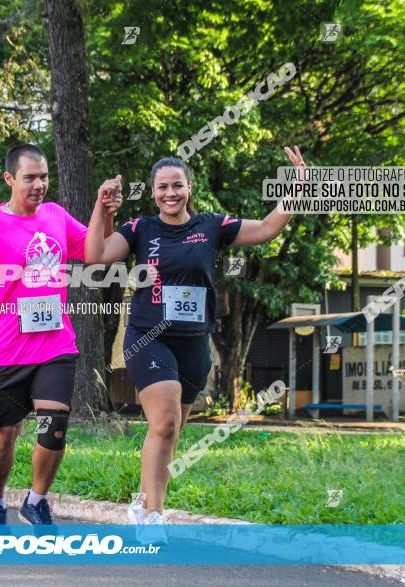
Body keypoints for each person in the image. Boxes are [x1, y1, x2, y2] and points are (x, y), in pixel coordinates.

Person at [85, 147, 305, 543]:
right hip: (148, 337)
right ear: (153, 192)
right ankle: (153, 517)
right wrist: (103, 210)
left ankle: (143, 500)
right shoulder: (140, 229)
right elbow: (95, 256)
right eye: (162, 187)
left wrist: (297, 187)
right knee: (165, 422)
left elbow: (269, 228)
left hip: (193, 343)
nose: (170, 193)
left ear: (189, 187)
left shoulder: (214, 226)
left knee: (173, 431)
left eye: (177, 185)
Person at [0, 144, 118, 530]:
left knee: (54, 424)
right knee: (5, 434)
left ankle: (36, 501)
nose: (39, 184)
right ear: (10, 179)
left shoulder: (56, 215)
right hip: (3, 351)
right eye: (30, 178)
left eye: (43, 176)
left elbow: (96, 250)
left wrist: (104, 211)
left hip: (54, 343)